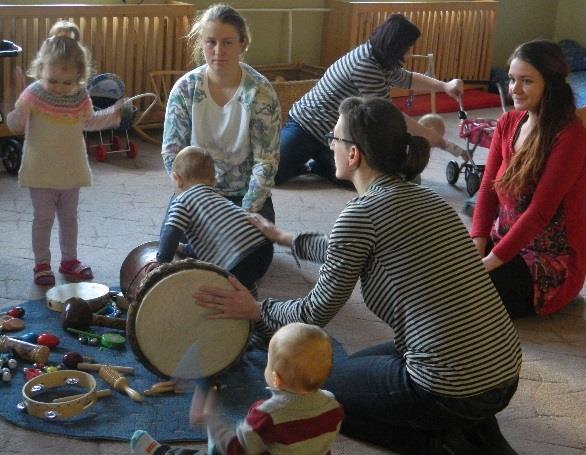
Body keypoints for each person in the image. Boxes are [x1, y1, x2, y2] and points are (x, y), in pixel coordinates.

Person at [193, 97, 522, 454]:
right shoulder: (426, 199)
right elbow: (347, 249)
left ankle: (442, 443)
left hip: (448, 387)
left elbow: (312, 314)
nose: (330, 146)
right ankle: (475, 430)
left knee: (313, 392)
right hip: (503, 370)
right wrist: (286, 239)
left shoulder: (361, 214)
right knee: (347, 369)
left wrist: (255, 308)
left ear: (354, 155)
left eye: (334, 139)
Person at [6, 20, 130, 286]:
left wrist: (112, 115)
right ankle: (41, 264)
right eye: (52, 80)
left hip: (71, 170)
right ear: (40, 71)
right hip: (41, 171)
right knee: (43, 219)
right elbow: (16, 125)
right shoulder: (34, 94)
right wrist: (15, 103)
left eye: (67, 81)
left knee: (69, 218)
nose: (60, 87)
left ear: (79, 77)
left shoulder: (79, 96)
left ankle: (69, 260)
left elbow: (88, 122)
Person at [275, 13, 466, 186]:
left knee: (359, 178)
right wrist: (438, 140)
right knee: (273, 176)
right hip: (305, 127)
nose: (409, 52)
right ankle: (315, 159)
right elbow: (388, 114)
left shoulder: (380, 57)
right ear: (395, 46)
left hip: (335, 135)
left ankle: (320, 161)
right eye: (407, 48)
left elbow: (407, 78)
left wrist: (444, 86)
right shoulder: (365, 65)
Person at [471, 39, 586, 319]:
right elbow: (487, 189)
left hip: (546, 261)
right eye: (512, 80)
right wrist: (478, 246)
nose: (515, 89)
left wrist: (487, 264)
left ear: (550, 83)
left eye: (526, 81)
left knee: (463, 295)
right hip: (504, 242)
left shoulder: (570, 136)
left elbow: (539, 214)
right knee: (432, 265)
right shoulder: (508, 123)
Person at [129, 322, 344, 455]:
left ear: (276, 379)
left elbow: (236, 450)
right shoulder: (333, 406)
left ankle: (163, 453)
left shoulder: (268, 415)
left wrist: (211, 420)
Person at [162, 3, 280, 222]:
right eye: (211, 42)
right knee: (177, 247)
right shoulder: (185, 89)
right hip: (195, 194)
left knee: (253, 254)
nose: (218, 51)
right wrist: (194, 200)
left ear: (242, 44)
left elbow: (266, 160)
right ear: (202, 43)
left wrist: (246, 214)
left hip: (242, 196)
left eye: (227, 42)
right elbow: (172, 153)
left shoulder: (260, 92)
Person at [151, 146, 273, 293]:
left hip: (237, 256)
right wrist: (183, 248)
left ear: (177, 179)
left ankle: (233, 309)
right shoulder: (217, 198)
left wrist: (162, 262)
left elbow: (170, 232)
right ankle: (250, 303)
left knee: (215, 287)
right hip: (262, 246)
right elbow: (208, 242)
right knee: (244, 280)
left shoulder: (182, 201)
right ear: (214, 180)